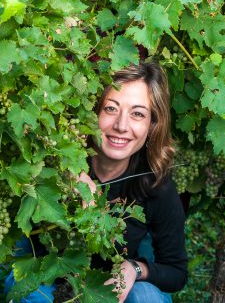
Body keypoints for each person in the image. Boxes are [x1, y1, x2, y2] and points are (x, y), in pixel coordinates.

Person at [4, 61, 187, 303]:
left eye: (138, 114)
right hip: (46, 281)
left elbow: (176, 272)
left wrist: (135, 268)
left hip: (109, 292)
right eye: (111, 109)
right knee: (30, 294)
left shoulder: (155, 185)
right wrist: (64, 174)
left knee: (146, 297)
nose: (121, 126)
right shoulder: (52, 157)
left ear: (153, 125)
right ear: (92, 111)